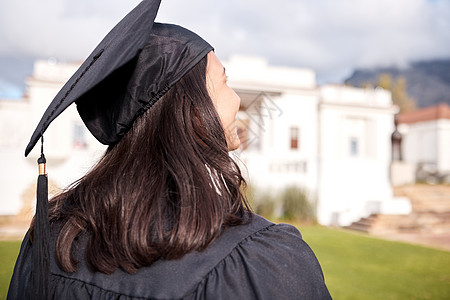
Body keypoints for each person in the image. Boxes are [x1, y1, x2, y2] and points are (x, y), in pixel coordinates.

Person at [8, 1, 332, 299]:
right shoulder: (261, 260)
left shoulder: (52, 239)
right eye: (224, 81)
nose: (236, 100)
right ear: (192, 108)